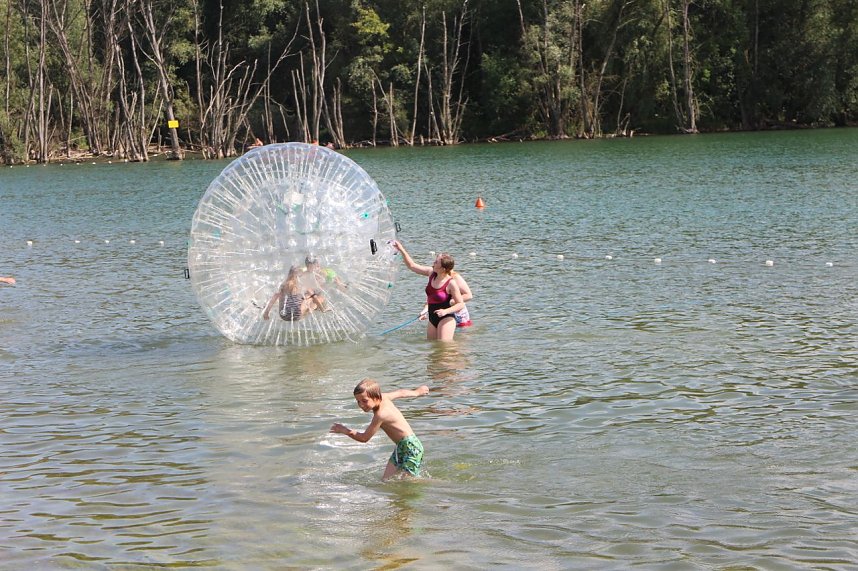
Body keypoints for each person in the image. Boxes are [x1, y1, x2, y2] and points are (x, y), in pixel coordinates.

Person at [330, 379, 429, 480]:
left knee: (409, 483)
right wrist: (417, 392)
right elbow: (401, 393)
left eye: (364, 401)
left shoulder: (380, 415)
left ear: (376, 397)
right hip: (401, 446)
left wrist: (346, 431)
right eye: (358, 401)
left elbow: (364, 438)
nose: (361, 405)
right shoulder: (384, 397)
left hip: (412, 448)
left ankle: (439, 486)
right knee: (385, 481)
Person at [393, 240, 465, 341]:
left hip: (446, 318)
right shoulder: (432, 273)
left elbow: (460, 304)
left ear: (443, 269)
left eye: (436, 262)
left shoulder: (451, 283)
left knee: (444, 348)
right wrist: (401, 249)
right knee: (433, 349)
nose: (433, 263)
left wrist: (445, 311)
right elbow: (412, 266)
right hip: (432, 318)